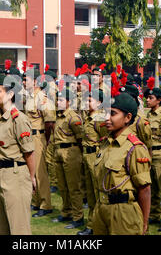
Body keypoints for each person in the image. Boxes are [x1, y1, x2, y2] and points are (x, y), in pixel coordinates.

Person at [92, 91, 151, 235]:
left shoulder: (134, 147)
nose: (106, 118)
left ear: (127, 117)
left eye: (112, 113)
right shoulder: (106, 143)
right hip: (102, 208)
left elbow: (144, 189)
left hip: (123, 212)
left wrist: (144, 223)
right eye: (105, 113)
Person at [0, 73, 36, 235]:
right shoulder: (0, 118)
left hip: (15, 174)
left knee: (19, 229)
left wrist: (31, 178)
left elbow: (29, 152)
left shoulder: (19, 119)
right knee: (1, 228)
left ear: (10, 94)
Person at [52, 86, 85, 230]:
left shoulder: (73, 117)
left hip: (71, 152)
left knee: (73, 186)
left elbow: (80, 138)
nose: (58, 102)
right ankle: (66, 212)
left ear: (68, 101)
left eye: (61, 100)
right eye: (57, 99)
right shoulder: (59, 116)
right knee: (62, 185)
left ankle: (78, 217)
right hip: (58, 151)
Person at [24, 69, 55, 218]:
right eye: (24, 79)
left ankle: (45, 204)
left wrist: (46, 139)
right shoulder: (30, 97)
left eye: (27, 79)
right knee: (32, 171)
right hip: (30, 136)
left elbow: (49, 122)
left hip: (38, 136)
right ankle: (36, 201)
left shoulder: (42, 98)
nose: (24, 82)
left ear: (35, 81)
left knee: (40, 171)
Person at [77, 89, 108, 235]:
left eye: (90, 100)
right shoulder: (88, 118)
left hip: (95, 156)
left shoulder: (100, 119)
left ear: (100, 102)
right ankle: (91, 223)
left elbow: (105, 140)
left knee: (97, 192)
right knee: (89, 193)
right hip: (86, 156)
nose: (87, 103)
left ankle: (98, 225)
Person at [143, 77, 161, 231]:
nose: (147, 100)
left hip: (160, 154)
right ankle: (154, 215)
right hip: (148, 154)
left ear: (159, 100)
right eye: (147, 97)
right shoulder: (147, 115)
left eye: (151, 98)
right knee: (152, 187)